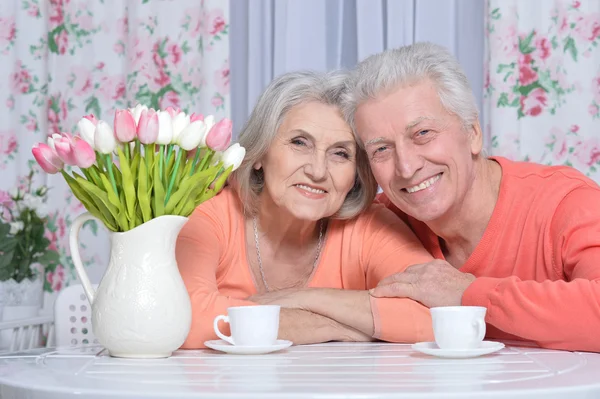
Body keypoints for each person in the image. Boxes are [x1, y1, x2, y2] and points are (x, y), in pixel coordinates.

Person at [341, 41, 600, 352]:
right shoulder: (385, 222)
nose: (407, 168)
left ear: (473, 133)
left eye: (423, 134)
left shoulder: (568, 204)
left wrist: (469, 293)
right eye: (381, 149)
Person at [175, 70, 436, 349]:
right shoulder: (208, 215)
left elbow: (436, 313)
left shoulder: (370, 226)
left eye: (340, 153)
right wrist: (333, 326)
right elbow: (179, 318)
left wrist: (303, 298)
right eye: (300, 142)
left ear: (356, 174)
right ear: (260, 152)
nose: (317, 171)